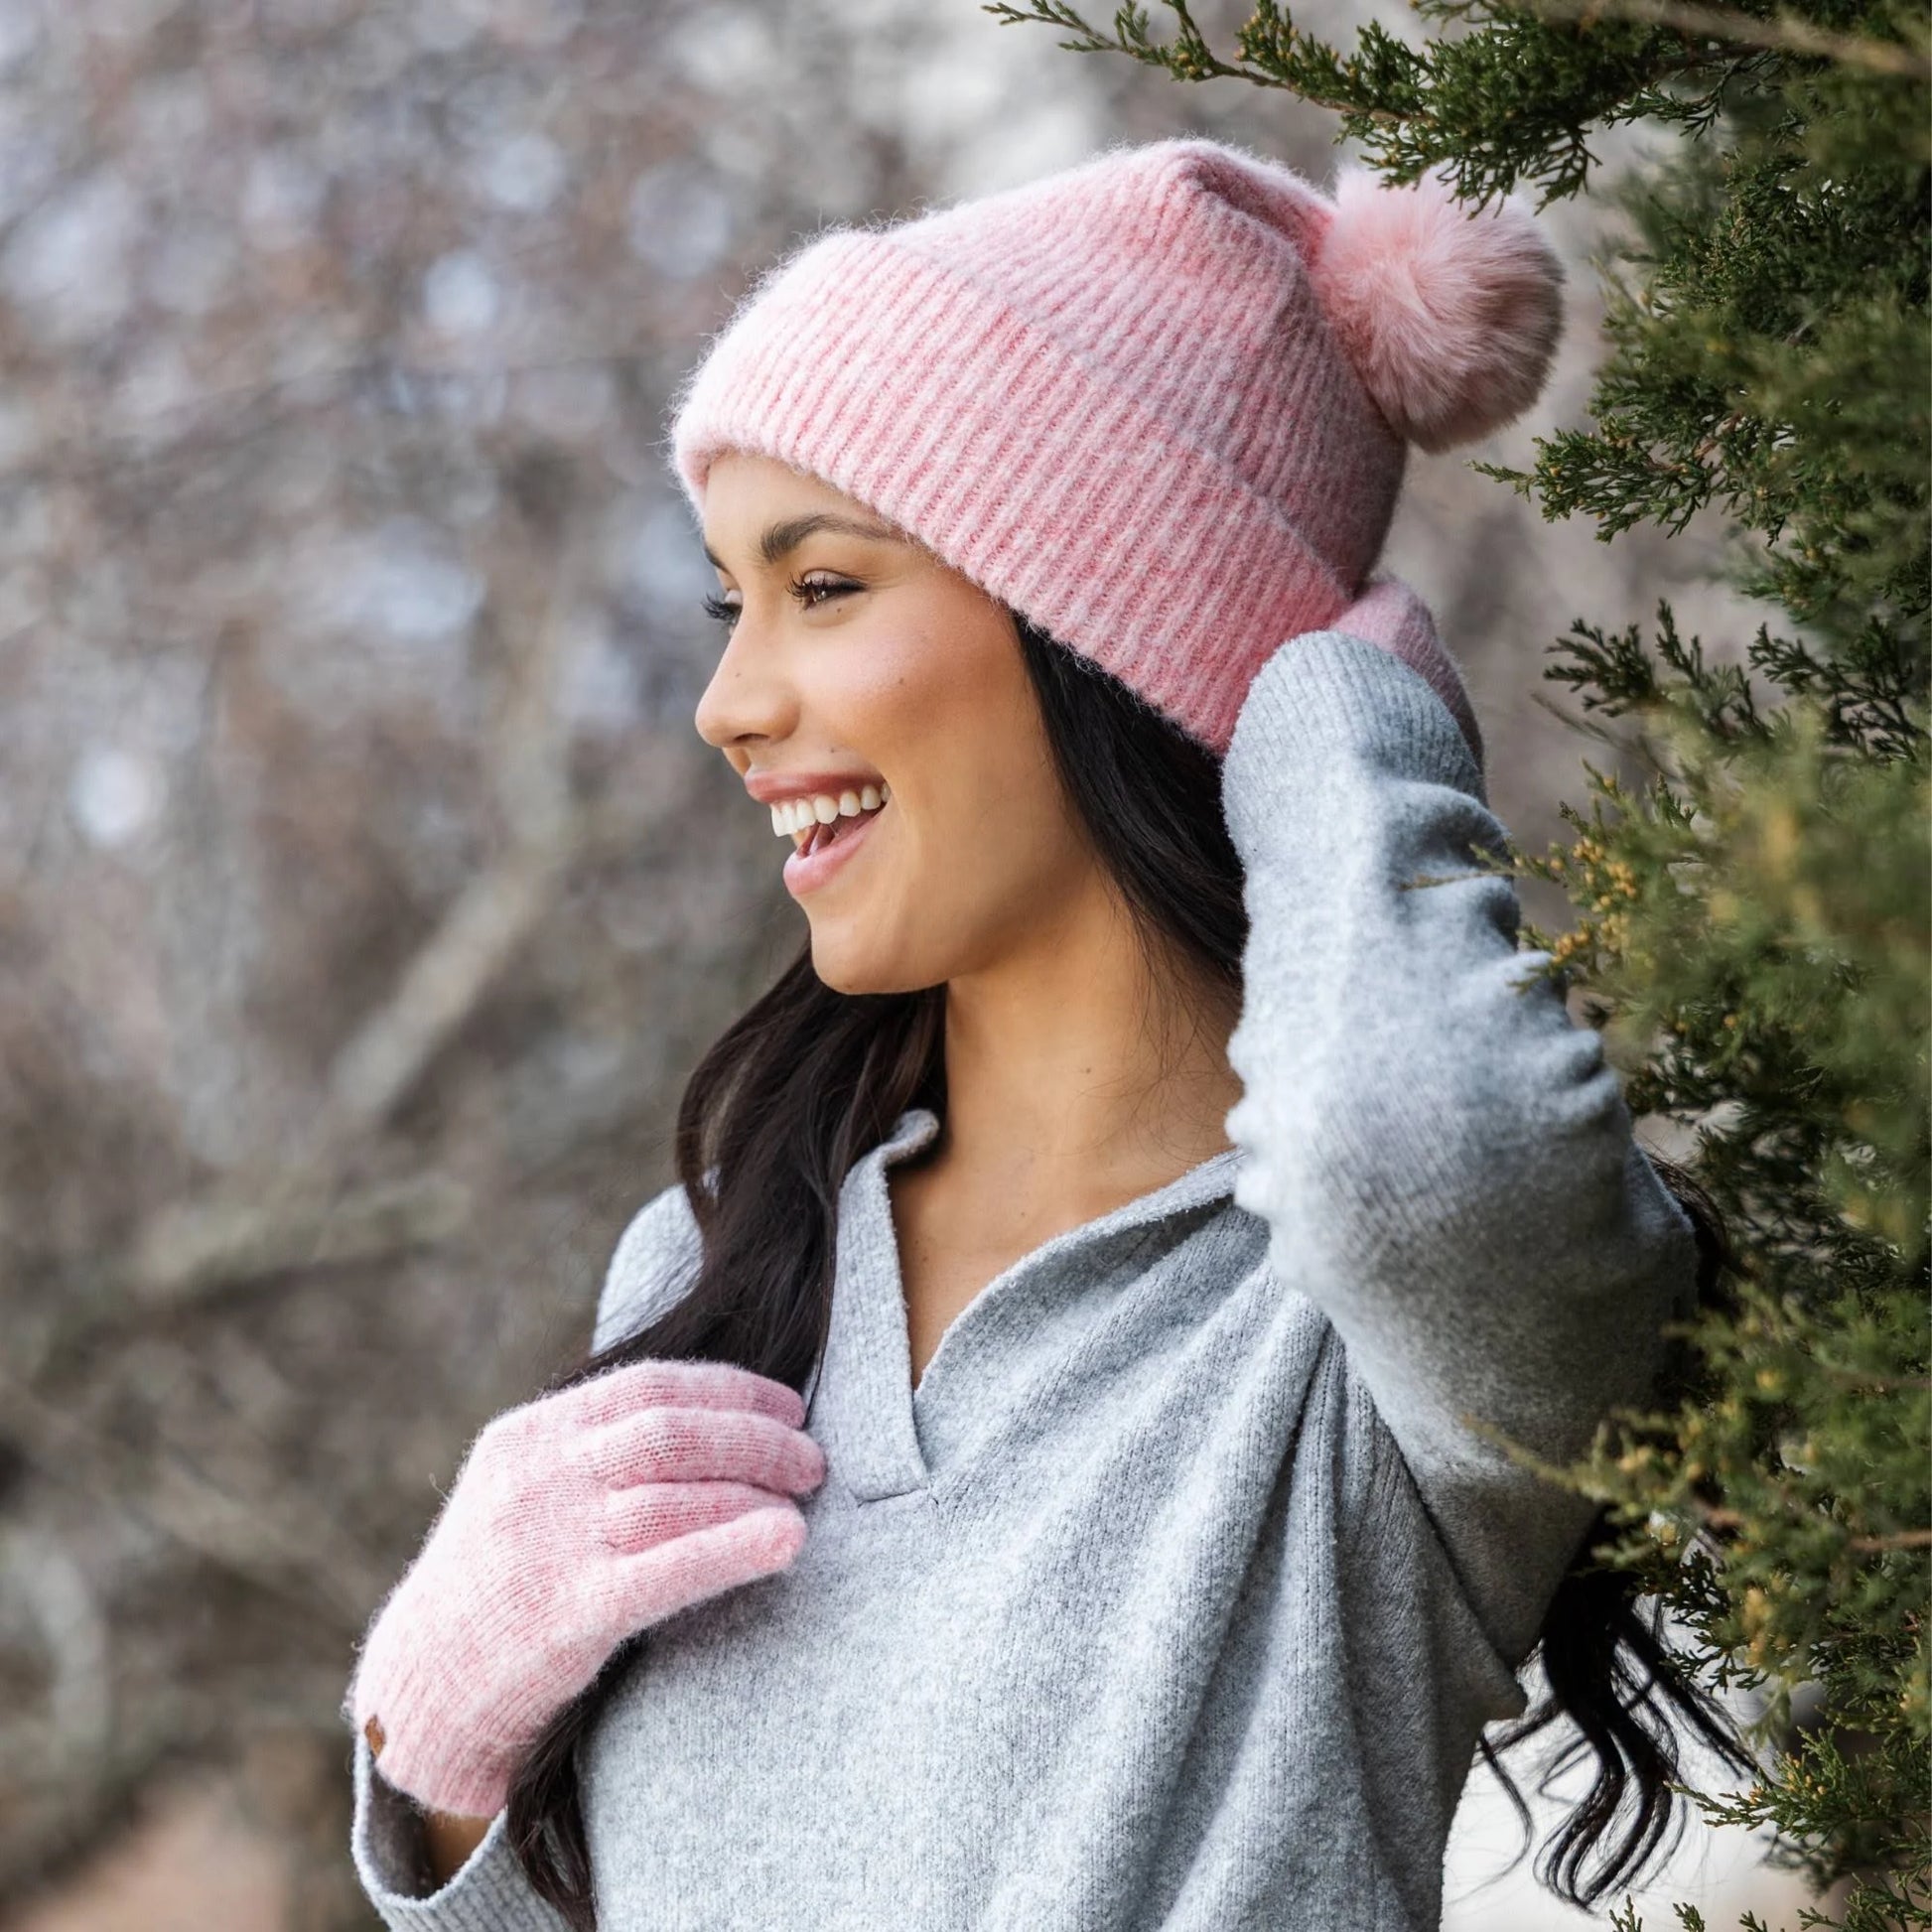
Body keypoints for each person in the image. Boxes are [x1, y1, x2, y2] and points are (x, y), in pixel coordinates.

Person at [339, 134, 1737, 1931]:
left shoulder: (1349, 1332)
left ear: (1103, 633)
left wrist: (1320, 687)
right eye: (727, 597)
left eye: (821, 585)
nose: (726, 703)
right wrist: (439, 1780)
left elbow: (1416, 1147)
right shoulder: (719, 1268)